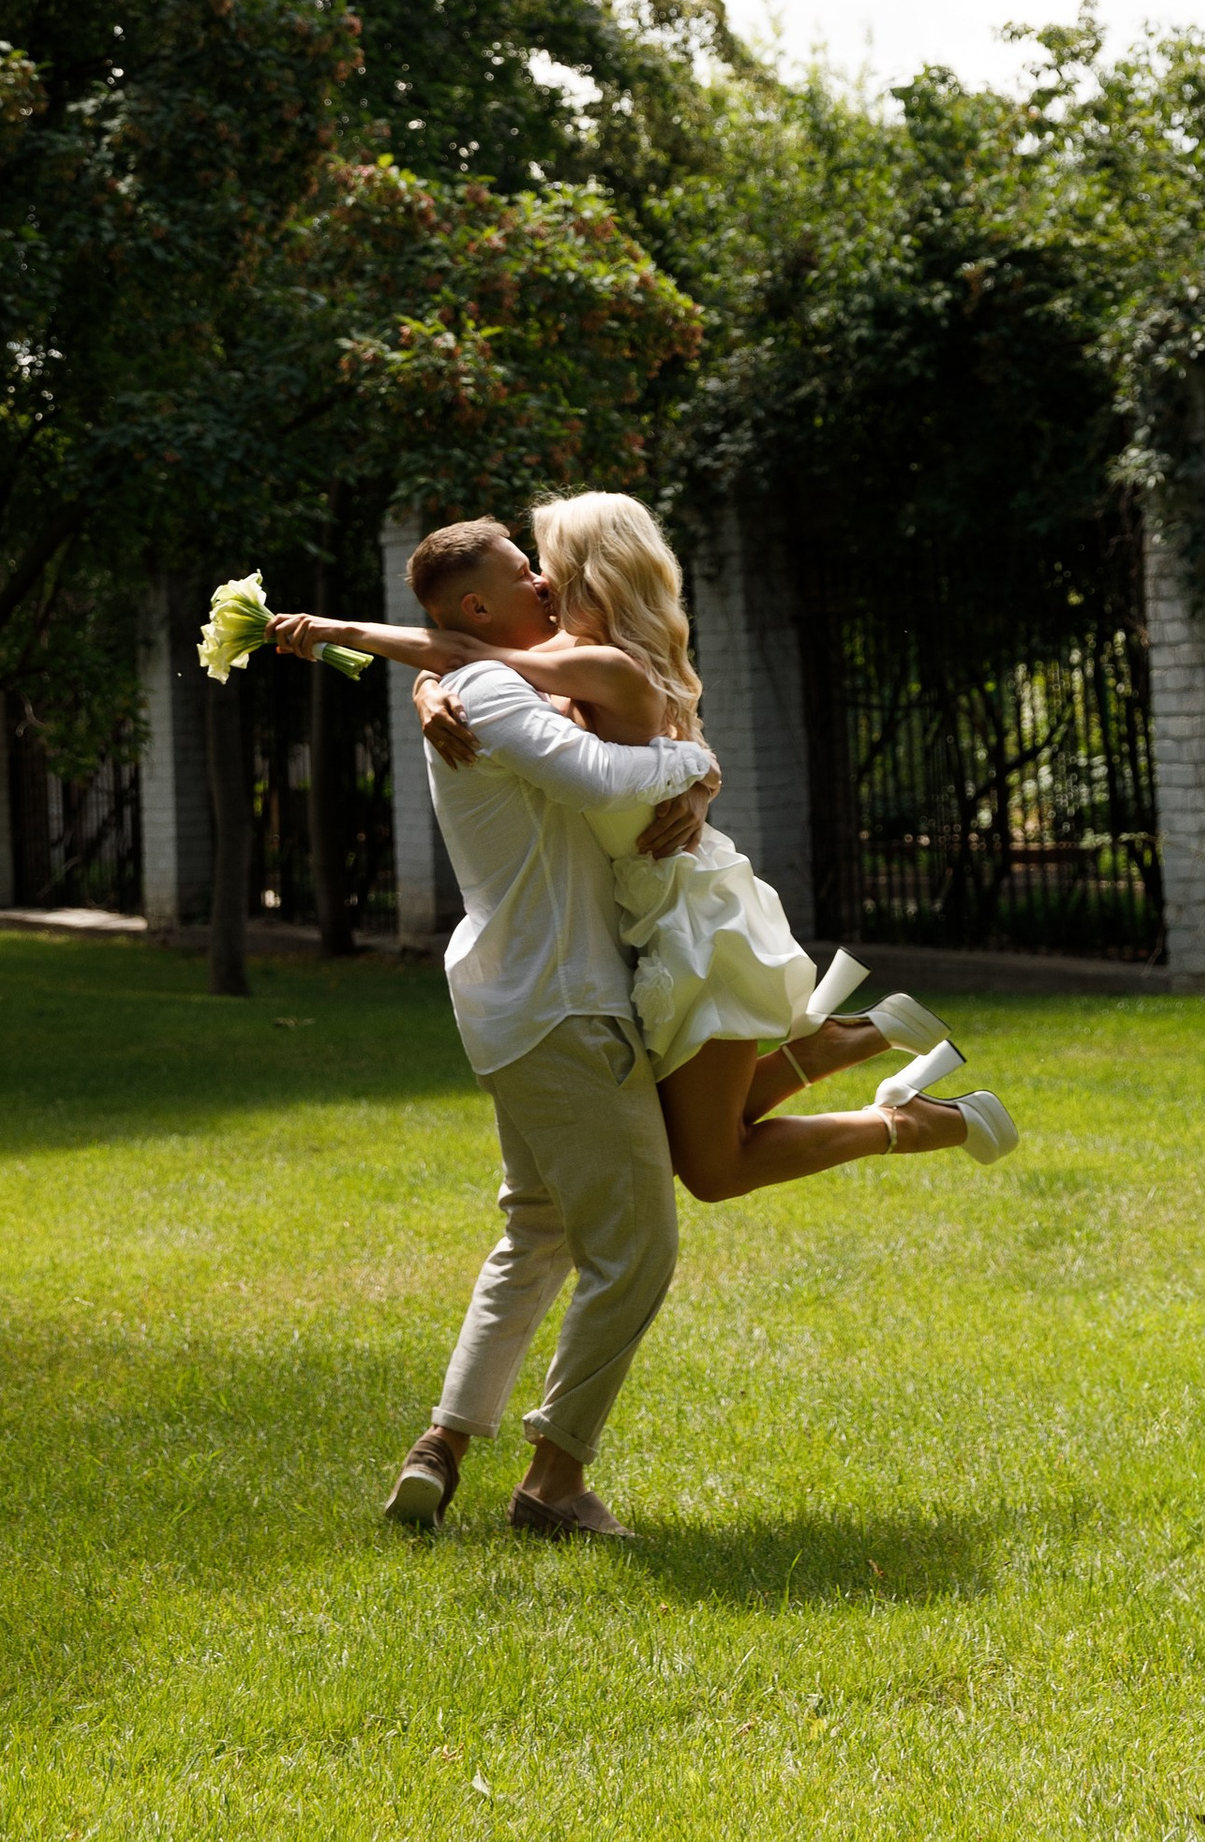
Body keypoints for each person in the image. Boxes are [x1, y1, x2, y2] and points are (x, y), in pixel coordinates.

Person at [271, 494, 1019, 1223]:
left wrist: (378, 650)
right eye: (529, 570)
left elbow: (468, 652)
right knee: (668, 1144)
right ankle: (843, 1043)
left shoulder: (605, 664)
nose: (539, 582)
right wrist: (428, 687)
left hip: (693, 926)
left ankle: (920, 1122)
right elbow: (464, 653)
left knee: (711, 1170)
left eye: (548, 567)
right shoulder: (562, 662)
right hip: (653, 917)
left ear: (590, 576)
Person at [302, 516, 718, 1544]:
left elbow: (470, 674)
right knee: (637, 1254)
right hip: (564, 1004)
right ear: (479, 609)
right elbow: (598, 782)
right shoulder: (490, 690)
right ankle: (554, 1483)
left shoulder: (494, 679)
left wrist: (691, 783)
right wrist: (695, 765)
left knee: (537, 1232)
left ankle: (440, 1447)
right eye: (523, 574)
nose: (545, 581)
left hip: (522, 1004)